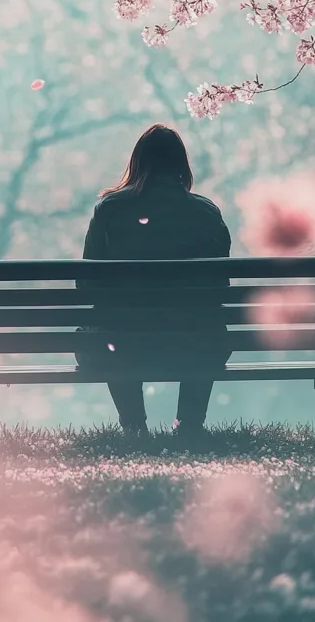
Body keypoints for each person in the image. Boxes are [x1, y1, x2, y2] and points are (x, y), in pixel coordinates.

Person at [77, 123, 232, 438]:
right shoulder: (205, 212)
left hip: (122, 344)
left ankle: (134, 425)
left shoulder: (110, 209)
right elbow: (221, 286)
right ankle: (188, 425)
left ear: (137, 162)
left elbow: (86, 284)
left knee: (109, 330)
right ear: (181, 165)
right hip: (192, 343)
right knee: (208, 328)